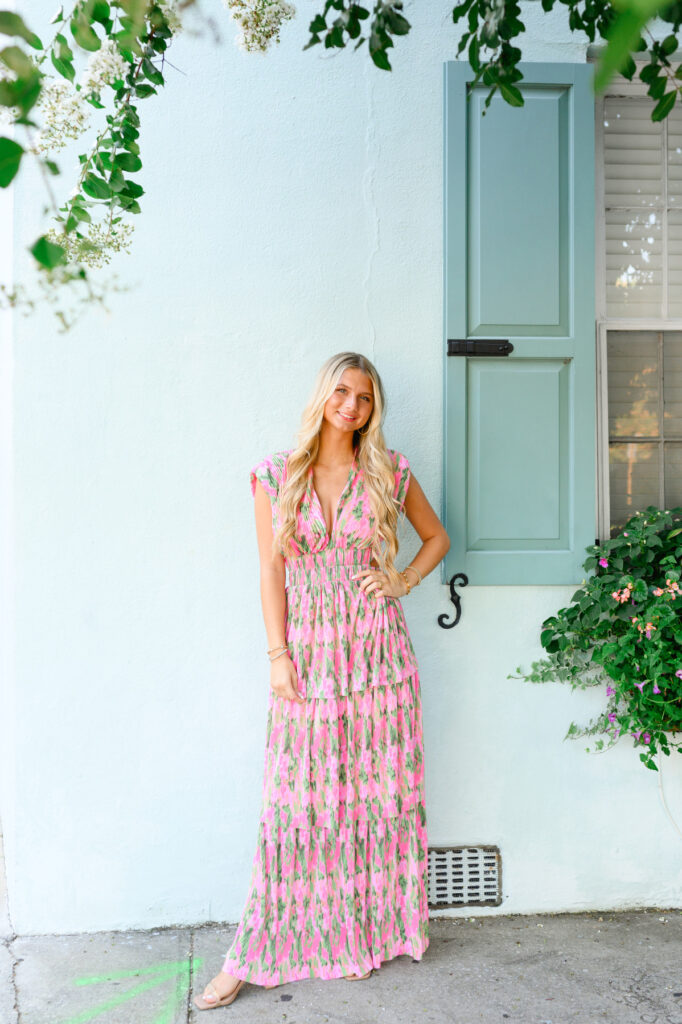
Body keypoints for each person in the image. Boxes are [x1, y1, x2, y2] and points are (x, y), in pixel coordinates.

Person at [194, 351, 450, 1010]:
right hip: (308, 653)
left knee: (371, 799)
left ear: (373, 409)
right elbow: (270, 572)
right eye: (342, 392)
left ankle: (356, 934)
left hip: (377, 655)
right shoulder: (277, 473)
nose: (351, 406)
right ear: (323, 396)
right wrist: (277, 654)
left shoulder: (388, 471)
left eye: (364, 398)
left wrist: (401, 581)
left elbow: (436, 538)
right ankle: (247, 953)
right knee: (297, 803)